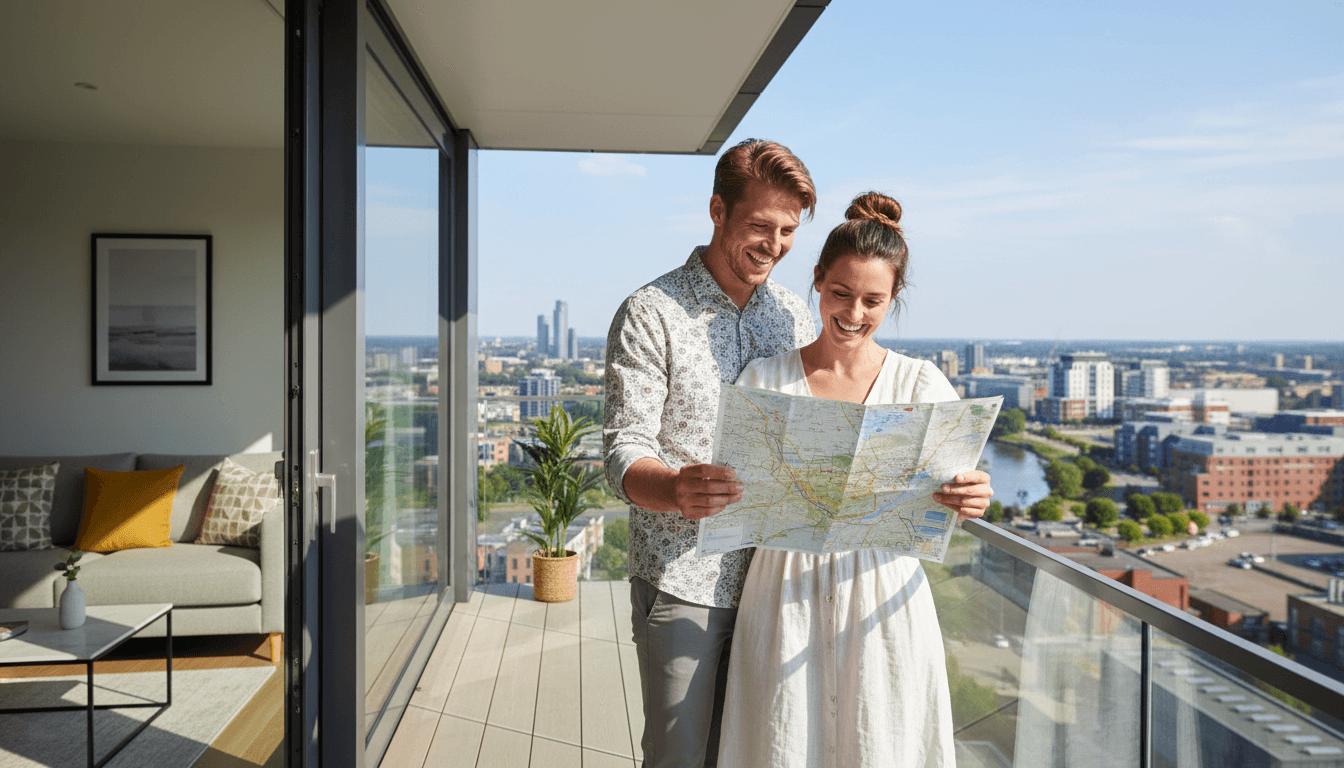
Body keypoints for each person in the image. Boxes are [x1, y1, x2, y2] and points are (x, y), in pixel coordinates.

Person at [717, 191, 994, 768]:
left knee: (883, 740)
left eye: (874, 299)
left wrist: (974, 495)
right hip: (783, 596)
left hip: (885, 601)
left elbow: (955, 491)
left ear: (894, 299)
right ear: (816, 281)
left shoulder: (921, 385)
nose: (853, 313)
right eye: (840, 293)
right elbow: (737, 491)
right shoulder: (765, 378)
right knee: (783, 741)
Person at [603, 138, 818, 768]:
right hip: (683, 581)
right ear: (717, 210)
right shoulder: (651, 312)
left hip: (776, 584)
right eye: (759, 225)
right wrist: (673, 488)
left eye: (787, 230)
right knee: (678, 758)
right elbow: (622, 451)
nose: (773, 245)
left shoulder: (794, 317)